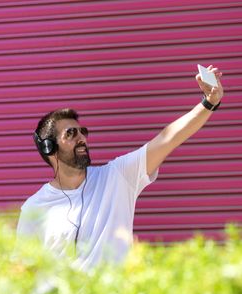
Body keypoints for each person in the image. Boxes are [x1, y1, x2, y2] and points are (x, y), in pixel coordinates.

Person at [17, 65, 224, 271]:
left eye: (83, 132)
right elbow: (25, 272)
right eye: (71, 133)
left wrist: (208, 103)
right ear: (49, 148)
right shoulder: (34, 208)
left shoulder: (117, 177)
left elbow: (167, 138)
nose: (82, 138)